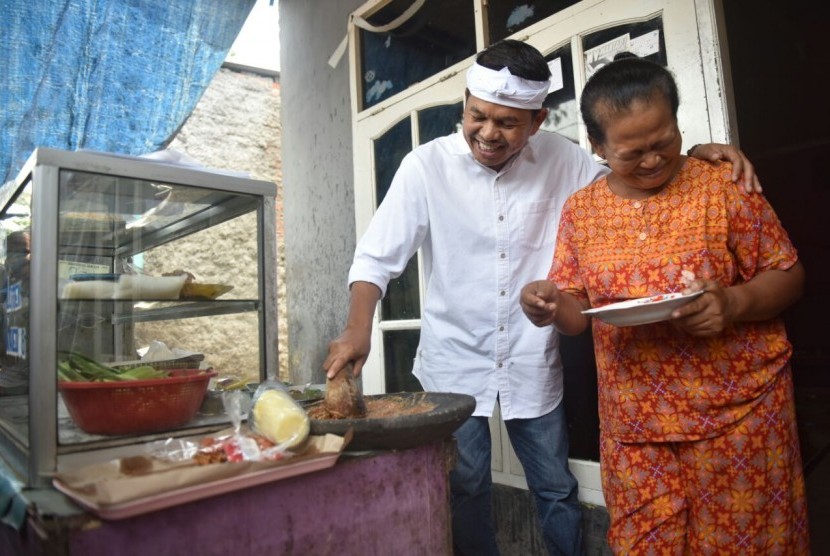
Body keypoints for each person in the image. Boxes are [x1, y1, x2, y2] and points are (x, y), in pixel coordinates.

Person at [325, 40, 760, 556]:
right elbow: (377, 259)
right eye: (478, 116)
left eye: (508, 123)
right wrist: (357, 329)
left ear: (537, 121)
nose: (488, 133)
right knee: (466, 485)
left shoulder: (564, 159)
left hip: (532, 359)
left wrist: (693, 157)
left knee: (554, 486)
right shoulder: (425, 168)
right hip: (454, 359)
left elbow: (634, 173)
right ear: (464, 104)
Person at [520, 55, 809, 554]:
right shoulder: (582, 211)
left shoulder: (720, 183)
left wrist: (734, 303)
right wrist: (547, 305)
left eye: (664, 141)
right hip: (635, 427)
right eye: (633, 152)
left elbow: (788, 274)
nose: (653, 160)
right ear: (598, 147)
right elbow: (575, 312)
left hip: (739, 416)